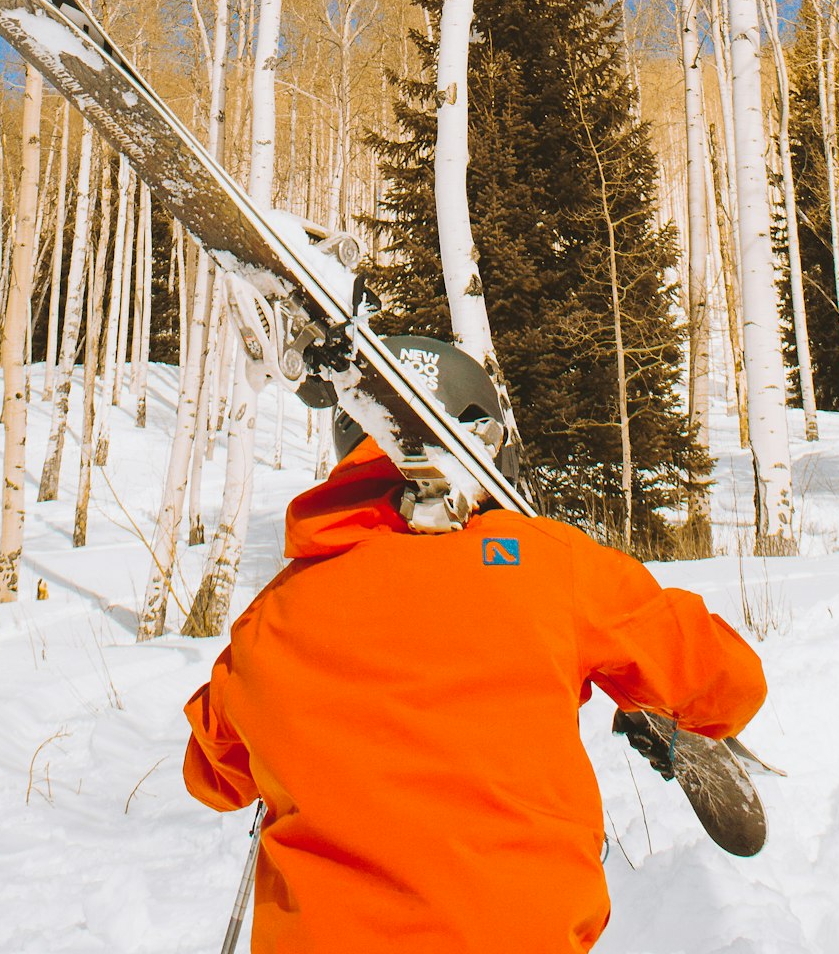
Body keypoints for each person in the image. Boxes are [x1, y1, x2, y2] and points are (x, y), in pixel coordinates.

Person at [182, 336, 766, 954]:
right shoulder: (546, 565)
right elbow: (730, 683)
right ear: (488, 442)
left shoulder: (269, 618)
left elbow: (210, 776)